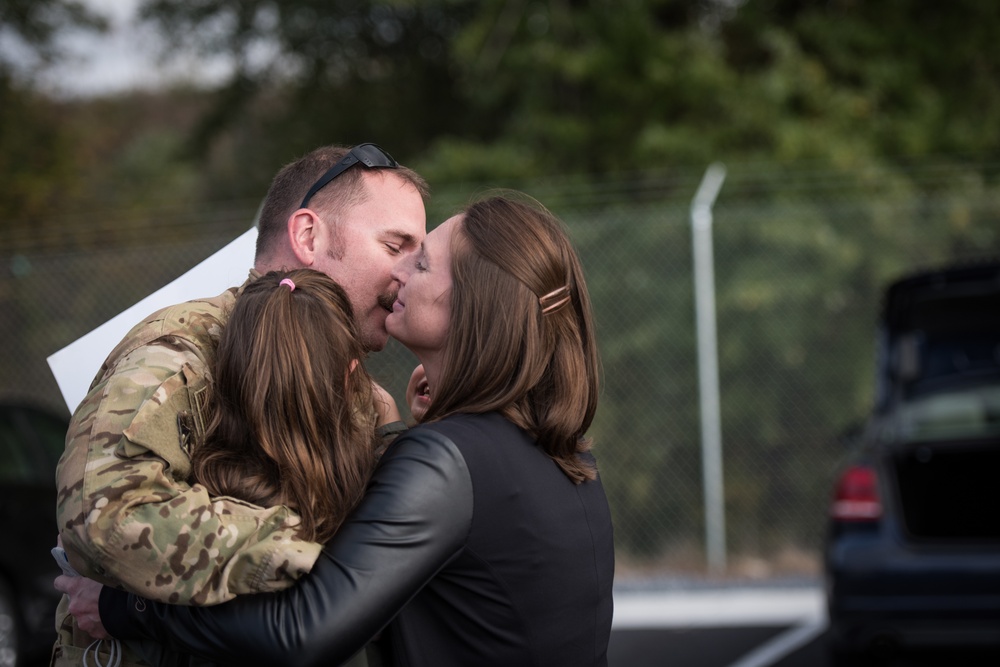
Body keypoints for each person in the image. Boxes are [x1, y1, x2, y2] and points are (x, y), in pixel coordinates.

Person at [72, 193, 615, 667]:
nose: (399, 274)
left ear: (474, 306)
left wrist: (125, 608)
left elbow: (304, 632)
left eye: (422, 264)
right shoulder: (565, 454)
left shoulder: (449, 460)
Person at [52, 143, 428, 666]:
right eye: (395, 246)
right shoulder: (184, 349)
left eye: (421, 257)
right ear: (307, 235)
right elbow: (107, 514)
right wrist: (323, 558)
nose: (410, 275)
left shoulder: (362, 392)